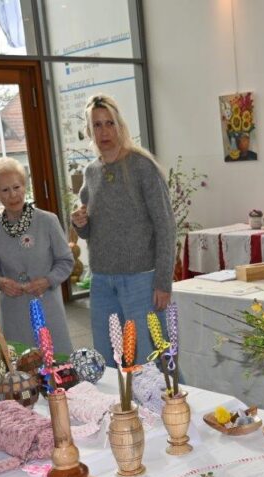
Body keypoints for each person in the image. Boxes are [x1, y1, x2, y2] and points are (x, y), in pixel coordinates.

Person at [70, 93, 176, 367]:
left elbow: (166, 226)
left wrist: (163, 281)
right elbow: (90, 231)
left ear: (120, 126)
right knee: (107, 359)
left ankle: (171, 398)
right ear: (89, 131)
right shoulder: (91, 172)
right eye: (97, 125)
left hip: (141, 280)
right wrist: (80, 223)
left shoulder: (142, 166)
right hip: (102, 281)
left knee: (150, 361)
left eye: (109, 123)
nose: (104, 131)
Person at [0, 157, 74, 354]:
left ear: (25, 187)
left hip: (47, 304)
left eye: (17, 187)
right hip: (13, 310)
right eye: (5, 190)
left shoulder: (48, 221)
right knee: (19, 364)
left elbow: (65, 261)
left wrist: (48, 280)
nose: (13, 194)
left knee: (58, 361)